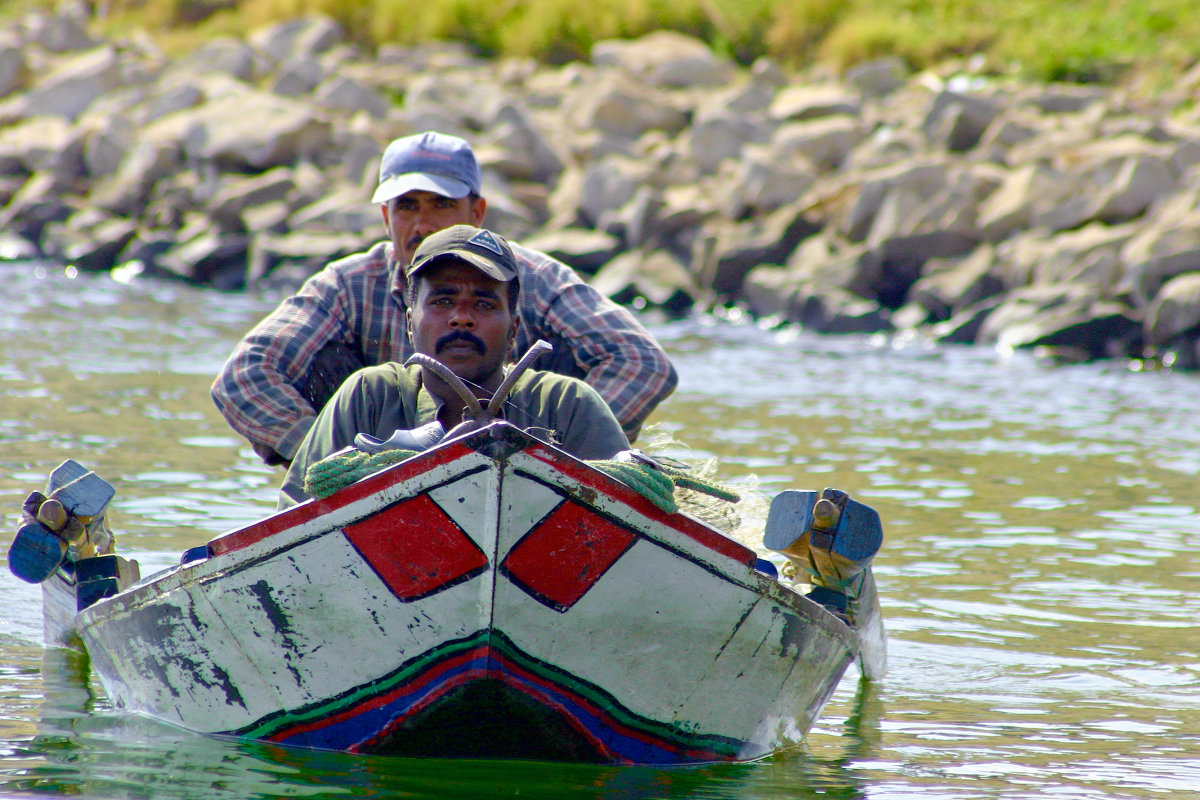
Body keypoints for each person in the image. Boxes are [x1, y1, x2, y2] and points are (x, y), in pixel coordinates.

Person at [212, 131, 676, 466]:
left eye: (441, 205)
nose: (423, 225)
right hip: (375, 473)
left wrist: (555, 459)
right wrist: (328, 459)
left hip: (523, 459)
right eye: (407, 206)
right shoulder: (346, 285)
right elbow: (244, 377)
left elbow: (643, 363)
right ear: (384, 217)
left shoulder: (535, 278)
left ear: (476, 213)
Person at [279, 224, 630, 506]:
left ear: (515, 331)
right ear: (409, 323)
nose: (462, 318)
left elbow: (633, 520)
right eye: (443, 301)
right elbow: (291, 524)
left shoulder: (566, 404)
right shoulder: (367, 395)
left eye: (485, 304)